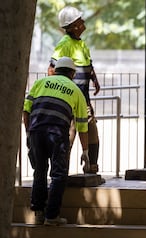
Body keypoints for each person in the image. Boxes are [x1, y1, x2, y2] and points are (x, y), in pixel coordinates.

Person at [23, 57, 90, 226]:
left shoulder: (41, 83)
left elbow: (26, 110)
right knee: (58, 175)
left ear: (55, 69)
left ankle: (38, 213)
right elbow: (82, 125)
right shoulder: (76, 91)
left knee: (39, 170)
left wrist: (28, 134)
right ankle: (51, 216)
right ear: (72, 73)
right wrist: (86, 151)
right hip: (57, 133)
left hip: (36, 131)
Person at [48, 6, 101, 174]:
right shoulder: (65, 44)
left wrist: (94, 80)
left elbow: (88, 66)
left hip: (83, 99)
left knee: (92, 132)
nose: (83, 22)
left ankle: (92, 168)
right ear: (73, 25)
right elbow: (52, 69)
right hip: (70, 100)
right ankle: (62, 172)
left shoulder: (81, 44)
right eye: (80, 20)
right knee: (69, 135)